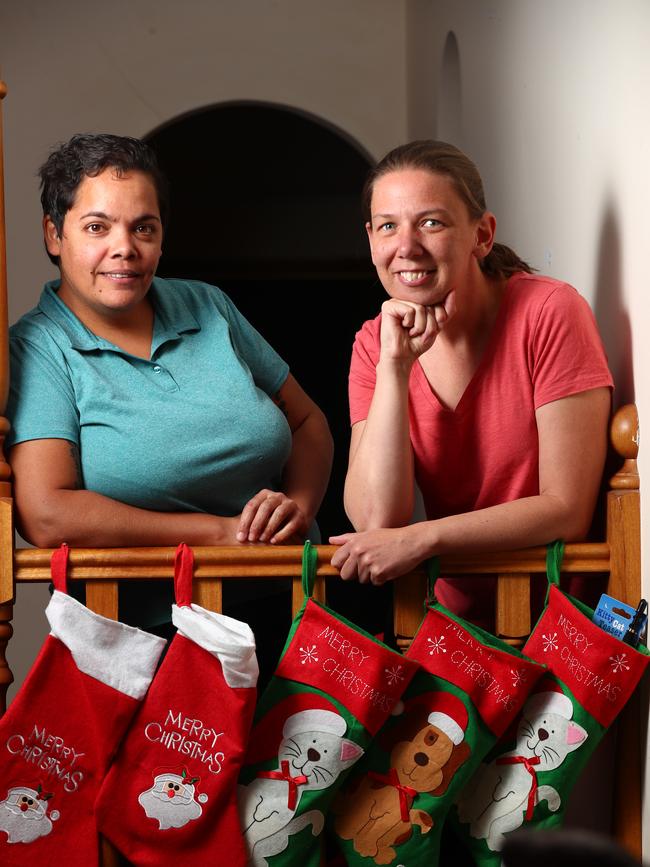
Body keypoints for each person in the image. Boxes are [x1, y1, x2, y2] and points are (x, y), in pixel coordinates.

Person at [6, 133, 333, 645]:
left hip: (290, 603)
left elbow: (308, 421)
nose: (125, 248)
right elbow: (46, 513)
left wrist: (301, 505)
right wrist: (217, 535)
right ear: (54, 234)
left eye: (144, 228)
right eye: (97, 227)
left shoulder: (207, 305)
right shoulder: (40, 346)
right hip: (140, 634)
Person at [330, 140, 612, 628]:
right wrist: (395, 368)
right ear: (371, 238)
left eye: (431, 222)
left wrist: (424, 538)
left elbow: (566, 509)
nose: (406, 248)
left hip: (565, 627)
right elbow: (376, 519)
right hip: (457, 631)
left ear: (482, 234)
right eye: (388, 226)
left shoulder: (549, 312)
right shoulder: (375, 344)